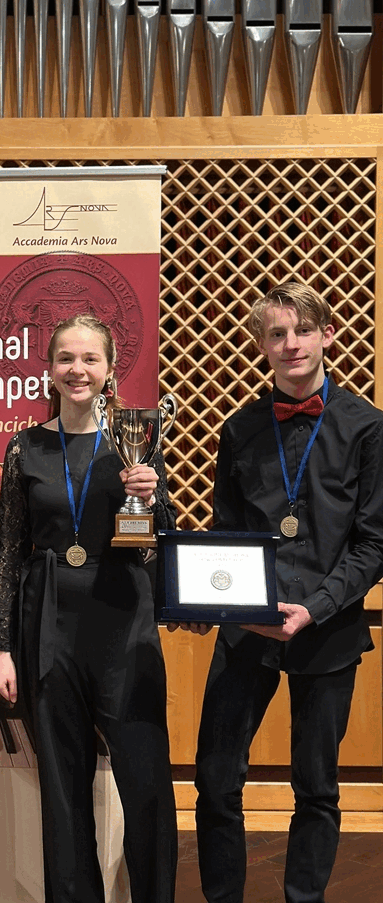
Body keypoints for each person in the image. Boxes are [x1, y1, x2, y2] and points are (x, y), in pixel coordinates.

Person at [193, 281, 383, 903]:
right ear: (262, 345)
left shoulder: (368, 429)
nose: (291, 344)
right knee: (216, 782)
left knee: (317, 788)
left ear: (327, 335)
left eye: (302, 330)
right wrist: (213, 600)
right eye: (276, 333)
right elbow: (225, 533)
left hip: (327, 632)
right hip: (247, 631)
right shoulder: (240, 429)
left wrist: (315, 607)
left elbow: (375, 544)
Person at [0, 314, 177, 903]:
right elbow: (9, 552)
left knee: (145, 781)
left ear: (109, 369)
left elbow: (157, 542)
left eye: (90, 359)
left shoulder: (135, 440)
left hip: (124, 621)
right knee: (63, 789)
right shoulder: (25, 446)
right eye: (66, 358)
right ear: (49, 368)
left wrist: (152, 498)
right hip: (49, 626)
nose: (78, 370)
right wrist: (0, 646)